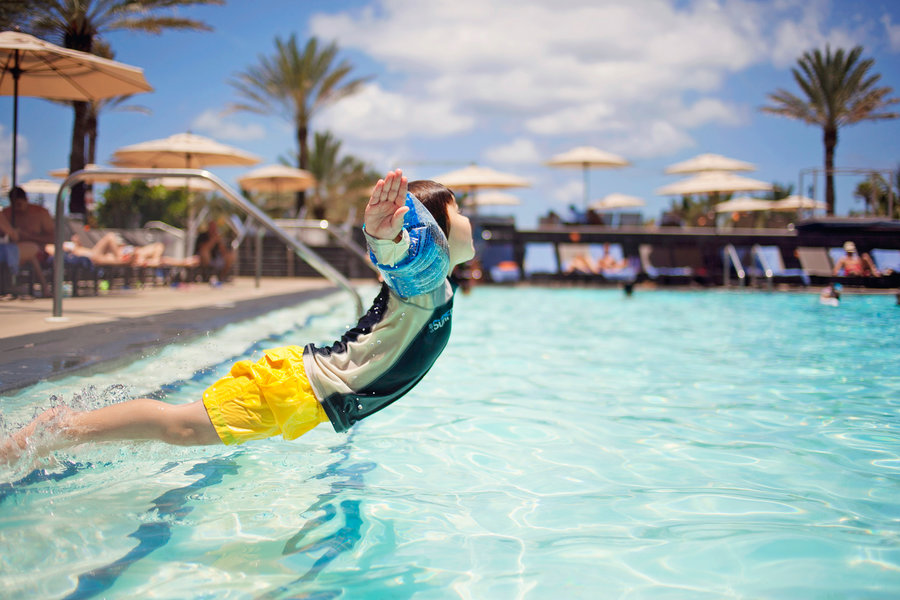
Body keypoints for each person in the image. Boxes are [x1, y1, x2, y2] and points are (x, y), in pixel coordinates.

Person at [1, 169, 475, 464]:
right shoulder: (425, 283)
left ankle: (63, 430)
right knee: (178, 426)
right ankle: (56, 428)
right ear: (435, 230)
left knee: (180, 428)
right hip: (298, 385)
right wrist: (383, 234)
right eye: (460, 210)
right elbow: (403, 260)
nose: (470, 220)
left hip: (305, 392)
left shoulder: (442, 287)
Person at [0, 187, 55, 297]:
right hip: (15, 250)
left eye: (19, 204)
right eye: (14, 205)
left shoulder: (40, 213)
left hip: (35, 250)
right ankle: (44, 288)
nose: (17, 209)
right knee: (31, 251)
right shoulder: (6, 213)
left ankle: (44, 288)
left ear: (26, 200)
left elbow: (54, 238)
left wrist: (29, 236)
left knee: (33, 250)